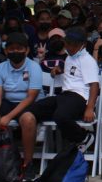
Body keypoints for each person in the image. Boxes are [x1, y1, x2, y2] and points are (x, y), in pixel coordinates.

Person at [28, 27, 98, 163]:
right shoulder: (69, 56)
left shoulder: (87, 60)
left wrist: (90, 108)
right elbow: (73, 74)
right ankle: (38, 138)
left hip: (80, 98)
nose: (70, 47)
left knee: (60, 116)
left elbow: (94, 85)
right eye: (68, 43)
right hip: (65, 96)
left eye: (73, 44)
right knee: (34, 109)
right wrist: (60, 70)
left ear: (82, 44)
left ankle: (83, 137)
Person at [0, 32, 43, 182]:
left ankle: (28, 163)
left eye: (19, 49)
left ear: (26, 50)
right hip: (8, 101)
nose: (15, 52)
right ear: (6, 51)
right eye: (11, 49)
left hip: (30, 103)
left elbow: (31, 97)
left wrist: (8, 116)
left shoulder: (34, 67)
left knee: (27, 119)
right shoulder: (1, 67)